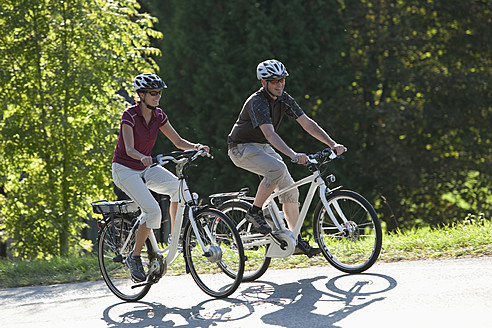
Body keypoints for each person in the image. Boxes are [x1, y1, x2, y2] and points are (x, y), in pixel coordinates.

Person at [227, 59, 346, 257]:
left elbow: (307, 123)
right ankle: (254, 212)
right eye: (274, 81)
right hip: (241, 148)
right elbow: (270, 134)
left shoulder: (284, 98)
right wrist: (292, 154)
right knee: (277, 169)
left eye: (282, 80)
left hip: (262, 147)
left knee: (290, 191)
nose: (279, 84)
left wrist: (331, 143)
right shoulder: (257, 101)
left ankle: (295, 239)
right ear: (264, 83)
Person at [112, 73, 209, 282]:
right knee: (153, 211)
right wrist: (142, 156)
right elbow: (128, 149)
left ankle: (175, 238)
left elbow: (178, 141)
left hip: (146, 167)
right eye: (153, 93)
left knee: (177, 188)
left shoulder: (159, 116)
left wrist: (196, 147)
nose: (158, 97)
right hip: (125, 169)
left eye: (160, 93)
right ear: (141, 95)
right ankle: (135, 256)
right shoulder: (129, 116)